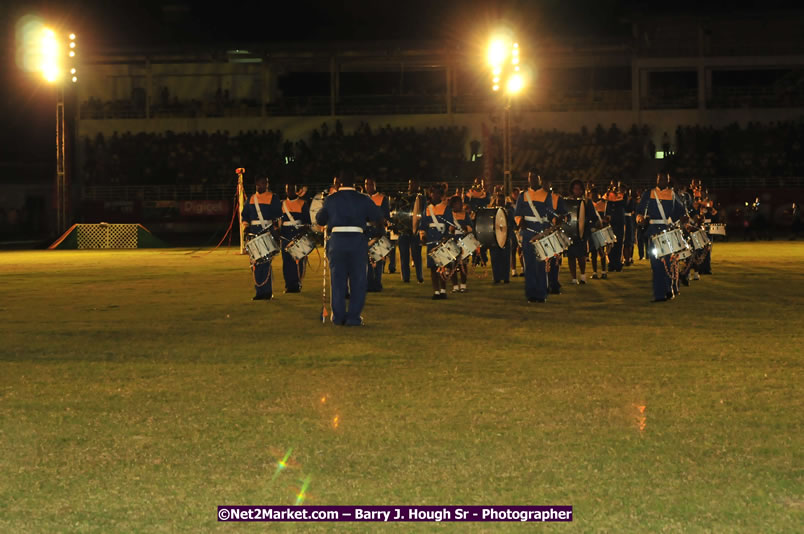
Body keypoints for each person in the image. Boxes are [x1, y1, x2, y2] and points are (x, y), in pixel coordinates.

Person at [315, 171, 384, 326]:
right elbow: (378, 218)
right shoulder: (363, 199)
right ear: (354, 183)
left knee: (338, 280)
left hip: (337, 241)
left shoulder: (331, 199)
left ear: (339, 183)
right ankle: (353, 317)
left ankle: (338, 317)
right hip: (357, 241)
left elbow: (320, 219)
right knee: (358, 281)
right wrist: (375, 233)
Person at [514, 171, 563, 303]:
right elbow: (517, 213)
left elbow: (549, 212)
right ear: (528, 179)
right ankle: (531, 294)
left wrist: (555, 220)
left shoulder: (546, 195)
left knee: (540, 264)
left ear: (540, 179)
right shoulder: (522, 196)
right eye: (531, 178)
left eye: (536, 177)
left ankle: (541, 294)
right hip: (528, 232)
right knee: (529, 264)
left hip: (541, 231)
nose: (533, 180)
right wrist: (520, 221)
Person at [637, 172, 687, 302]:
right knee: (656, 264)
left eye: (665, 179)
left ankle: (670, 288)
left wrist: (686, 222)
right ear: (657, 179)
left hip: (668, 231)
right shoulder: (649, 194)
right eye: (660, 179)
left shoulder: (672, 194)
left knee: (669, 263)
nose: (662, 181)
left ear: (668, 180)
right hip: (653, 232)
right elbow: (639, 211)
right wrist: (640, 219)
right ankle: (659, 294)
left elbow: (681, 213)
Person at [241, 176, 281, 300]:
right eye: (259, 184)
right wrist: (246, 227)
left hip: (267, 232)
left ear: (267, 184)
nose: (261, 186)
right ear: (256, 184)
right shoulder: (251, 199)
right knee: (256, 263)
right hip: (254, 233)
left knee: (266, 262)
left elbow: (278, 217)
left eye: (263, 183)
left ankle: (267, 291)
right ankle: (259, 292)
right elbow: (245, 216)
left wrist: (276, 232)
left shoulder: (273, 198)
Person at [420, 184, 454, 299]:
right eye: (432, 192)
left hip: (442, 239)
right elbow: (423, 224)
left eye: (437, 193)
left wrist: (447, 237)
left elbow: (450, 225)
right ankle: (436, 291)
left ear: (441, 195)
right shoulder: (427, 209)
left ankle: (443, 290)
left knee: (442, 267)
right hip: (431, 240)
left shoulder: (446, 208)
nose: (434, 195)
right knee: (433, 268)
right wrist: (422, 236)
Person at [279, 184, 310, 293]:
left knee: (298, 261)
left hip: (297, 234)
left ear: (296, 190)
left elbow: (307, 222)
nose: (290, 192)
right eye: (288, 189)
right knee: (286, 261)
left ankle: (297, 284)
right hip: (285, 235)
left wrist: (302, 234)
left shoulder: (302, 203)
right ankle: (288, 285)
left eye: (292, 189)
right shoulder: (282, 204)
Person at [565, 180, 594, 285]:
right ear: (572, 189)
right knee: (571, 255)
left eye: (579, 189)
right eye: (575, 188)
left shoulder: (587, 202)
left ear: (582, 190)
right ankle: (573, 278)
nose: (577, 191)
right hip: (570, 233)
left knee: (581, 255)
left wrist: (587, 225)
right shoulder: (567, 201)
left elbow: (592, 217)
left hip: (582, 232)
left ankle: (582, 275)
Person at [365, 178, 390, 292]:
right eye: (366, 184)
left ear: (375, 185)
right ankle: (369, 284)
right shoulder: (363, 198)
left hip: (378, 231)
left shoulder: (382, 198)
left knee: (378, 259)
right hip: (366, 231)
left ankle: (377, 284)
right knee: (366, 259)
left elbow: (386, 217)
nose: (368, 186)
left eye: (370, 184)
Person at [397, 179, 424, 284]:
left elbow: (422, 212)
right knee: (404, 255)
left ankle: (419, 276)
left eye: (415, 184)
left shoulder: (421, 198)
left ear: (418, 185)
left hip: (415, 230)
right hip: (404, 230)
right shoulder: (402, 197)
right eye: (411, 184)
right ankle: (405, 277)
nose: (412, 186)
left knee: (417, 254)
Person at [449, 195, 472, 292]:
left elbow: (471, 226)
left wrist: (465, 227)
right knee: (452, 265)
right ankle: (455, 286)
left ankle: (463, 285)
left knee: (463, 264)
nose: (459, 205)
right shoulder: (449, 215)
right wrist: (451, 230)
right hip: (452, 241)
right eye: (457, 204)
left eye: (460, 203)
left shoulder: (465, 214)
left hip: (463, 241)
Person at [488, 192, 512, 284]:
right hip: (494, 237)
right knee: (495, 258)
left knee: (506, 258)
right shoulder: (492, 211)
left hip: (506, 236)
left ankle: (506, 277)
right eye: (499, 200)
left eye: (502, 200)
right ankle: (496, 277)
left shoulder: (509, 210)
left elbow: (512, 222)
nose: (501, 202)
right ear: (496, 201)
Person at [605, 181, 626, 272]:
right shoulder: (608, 195)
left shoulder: (622, 196)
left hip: (620, 222)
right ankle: (611, 263)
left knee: (619, 244)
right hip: (611, 223)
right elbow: (607, 206)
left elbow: (623, 204)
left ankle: (617, 263)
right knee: (610, 243)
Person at [589, 188, 609, 279]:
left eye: (595, 194)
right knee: (593, 252)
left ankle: (604, 272)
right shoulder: (589, 204)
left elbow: (607, 217)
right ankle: (595, 272)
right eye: (592, 195)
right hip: (593, 230)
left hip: (600, 230)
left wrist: (604, 221)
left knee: (601, 251)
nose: (594, 196)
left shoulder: (603, 203)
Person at [623, 185, 636, 267]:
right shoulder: (620, 199)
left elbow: (632, 209)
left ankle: (629, 258)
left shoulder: (631, 200)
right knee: (624, 241)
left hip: (629, 220)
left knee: (629, 240)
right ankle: (625, 258)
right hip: (623, 219)